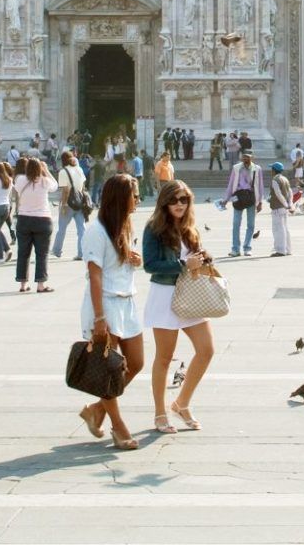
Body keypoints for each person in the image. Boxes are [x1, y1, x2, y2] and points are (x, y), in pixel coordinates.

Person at [75, 174, 145, 451]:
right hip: (104, 305)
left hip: (127, 302)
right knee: (108, 371)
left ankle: (96, 409)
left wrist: (133, 259)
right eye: (134, 195)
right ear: (120, 198)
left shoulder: (125, 225)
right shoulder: (96, 231)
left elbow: (118, 264)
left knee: (135, 363)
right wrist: (99, 318)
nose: (138, 199)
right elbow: (94, 277)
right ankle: (118, 426)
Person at [141, 181, 215, 433]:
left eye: (184, 200)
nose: (179, 204)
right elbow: (149, 265)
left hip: (191, 294)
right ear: (164, 202)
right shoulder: (153, 229)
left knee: (206, 350)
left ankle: (181, 403)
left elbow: (193, 259)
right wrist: (184, 265)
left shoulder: (189, 228)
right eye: (174, 200)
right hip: (165, 294)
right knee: (164, 358)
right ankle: (160, 413)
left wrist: (203, 259)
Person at [12, 156, 56, 292]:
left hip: (24, 219)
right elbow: (55, 185)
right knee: (42, 254)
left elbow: (17, 187)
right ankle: (41, 284)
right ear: (39, 168)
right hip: (43, 219)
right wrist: (46, 170)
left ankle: (23, 284)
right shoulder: (45, 181)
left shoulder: (20, 180)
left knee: (23, 253)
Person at [53, 151, 91, 261]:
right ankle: (81, 253)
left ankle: (57, 250)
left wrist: (63, 204)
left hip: (69, 203)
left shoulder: (63, 171)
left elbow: (66, 190)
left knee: (62, 228)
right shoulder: (79, 169)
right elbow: (83, 186)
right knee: (81, 229)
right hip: (80, 202)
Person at [224, 151, 263, 256]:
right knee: (236, 223)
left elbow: (260, 186)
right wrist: (226, 199)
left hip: (251, 198)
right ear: (241, 158)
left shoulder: (257, 169)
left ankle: (247, 248)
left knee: (251, 224)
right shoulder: (236, 168)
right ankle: (235, 249)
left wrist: (260, 202)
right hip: (238, 197)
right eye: (244, 157)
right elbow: (231, 184)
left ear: (252, 158)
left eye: (248, 157)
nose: (245, 159)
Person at [267, 161, 293, 256]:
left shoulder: (275, 180)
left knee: (278, 229)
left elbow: (278, 194)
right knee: (285, 228)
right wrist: (289, 204)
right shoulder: (285, 179)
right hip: (284, 208)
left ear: (274, 170)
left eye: (272, 169)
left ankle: (280, 250)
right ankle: (288, 249)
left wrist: (286, 204)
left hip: (277, 207)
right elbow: (290, 193)